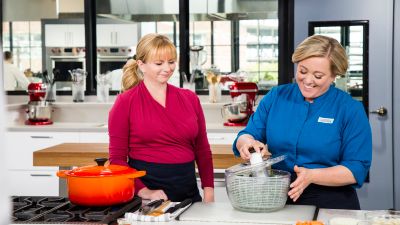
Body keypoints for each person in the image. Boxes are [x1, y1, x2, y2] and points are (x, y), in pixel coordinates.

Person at [232, 35, 372, 209]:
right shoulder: (277, 96)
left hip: (331, 202)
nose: (307, 81)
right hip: (276, 198)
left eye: (318, 76)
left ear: (334, 75)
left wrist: (312, 175)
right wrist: (247, 144)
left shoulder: (350, 109)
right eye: (303, 71)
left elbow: (356, 168)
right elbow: (248, 134)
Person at [108, 34, 214, 203]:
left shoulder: (190, 98)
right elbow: (117, 160)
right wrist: (145, 191)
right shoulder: (125, 102)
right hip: (149, 199)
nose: (167, 68)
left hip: (189, 195)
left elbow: (202, 150)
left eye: (171, 62)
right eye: (159, 63)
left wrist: (208, 191)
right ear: (141, 65)